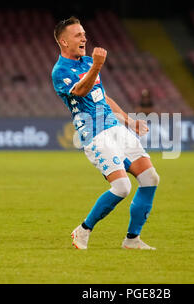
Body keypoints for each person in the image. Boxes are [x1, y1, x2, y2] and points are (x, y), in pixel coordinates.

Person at [51, 17, 160, 250]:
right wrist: (97, 66)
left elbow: (103, 96)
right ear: (64, 41)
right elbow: (80, 91)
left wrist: (129, 121)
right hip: (94, 134)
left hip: (115, 128)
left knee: (150, 178)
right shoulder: (60, 71)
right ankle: (82, 230)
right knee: (122, 187)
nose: (84, 38)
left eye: (84, 33)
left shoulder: (88, 62)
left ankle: (132, 240)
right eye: (78, 35)